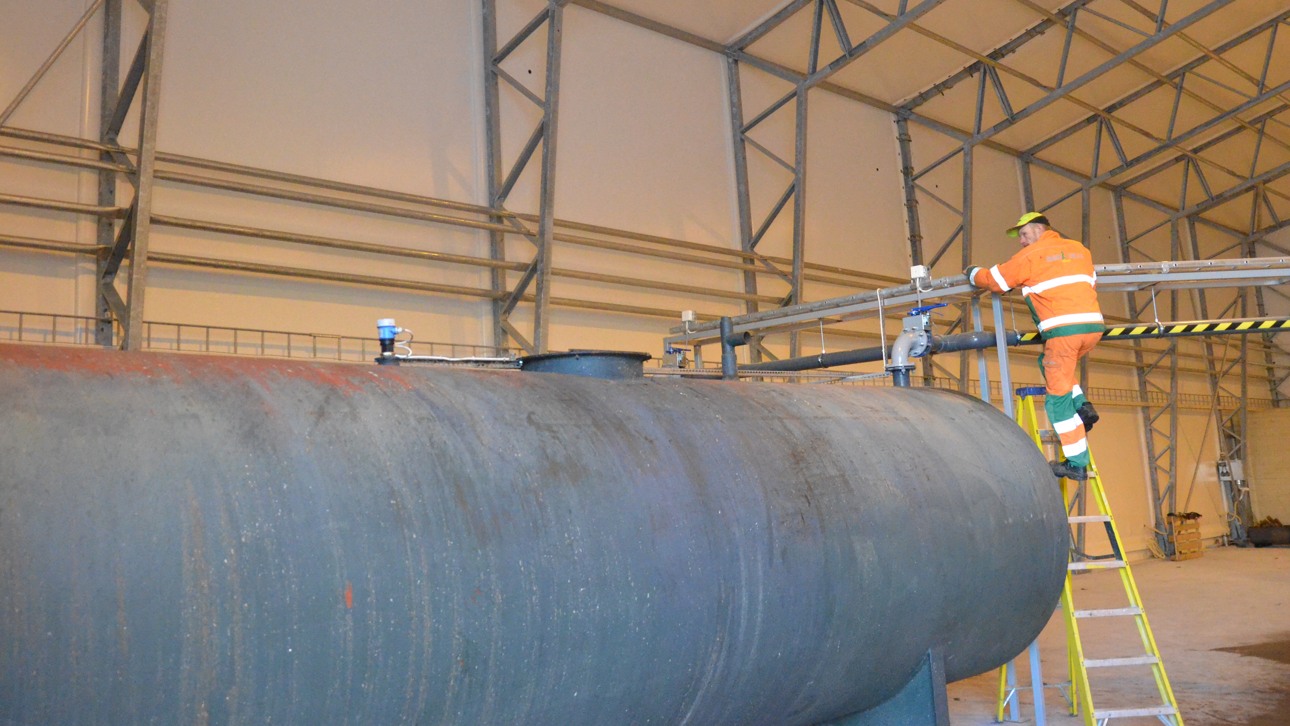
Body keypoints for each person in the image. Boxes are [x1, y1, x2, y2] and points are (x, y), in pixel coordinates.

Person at [965, 212, 1103, 481]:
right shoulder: (1079, 250)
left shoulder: (1031, 255)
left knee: (1057, 401)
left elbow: (994, 281)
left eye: (1024, 234)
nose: (1021, 241)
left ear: (1039, 229)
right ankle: (1083, 406)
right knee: (1051, 366)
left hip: (1063, 332)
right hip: (1092, 328)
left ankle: (1076, 463)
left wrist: (972, 273)